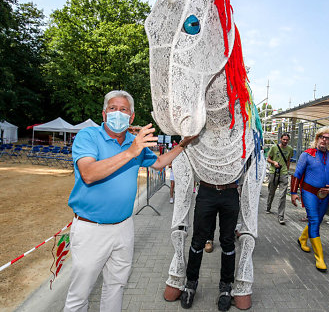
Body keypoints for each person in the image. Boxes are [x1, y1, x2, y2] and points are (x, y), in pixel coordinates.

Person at [64, 90, 196, 312]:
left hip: (124, 227)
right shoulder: (89, 136)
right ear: (104, 114)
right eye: (113, 109)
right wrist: (131, 152)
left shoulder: (133, 144)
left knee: (116, 286)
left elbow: (160, 162)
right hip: (91, 228)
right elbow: (88, 173)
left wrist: (182, 145)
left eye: (123, 110)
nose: (118, 113)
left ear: (131, 117)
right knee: (80, 294)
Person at [180, 181, 239, 311]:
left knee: (228, 242)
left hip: (230, 191)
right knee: (197, 241)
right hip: (207, 190)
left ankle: (226, 285)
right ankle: (191, 282)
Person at [290, 127, 329, 272]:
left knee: (318, 220)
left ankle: (302, 239)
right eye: (322, 137)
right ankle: (320, 258)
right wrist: (294, 193)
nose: (324, 140)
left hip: (325, 194)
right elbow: (297, 174)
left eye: (328, 138)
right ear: (317, 138)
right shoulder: (306, 155)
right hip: (309, 192)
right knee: (314, 220)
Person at [266, 133, 294, 225]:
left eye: (287, 140)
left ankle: (281, 216)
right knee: (271, 192)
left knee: (282, 195)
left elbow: (289, 160)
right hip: (274, 173)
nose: (285, 141)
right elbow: (268, 159)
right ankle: (268, 207)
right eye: (284, 139)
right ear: (280, 139)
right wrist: (274, 162)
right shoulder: (274, 148)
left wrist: (287, 170)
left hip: (284, 174)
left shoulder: (290, 149)